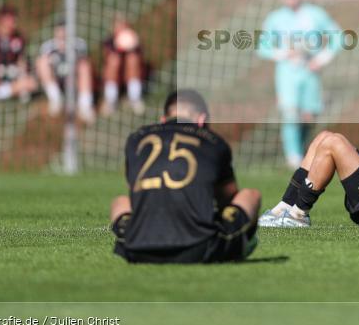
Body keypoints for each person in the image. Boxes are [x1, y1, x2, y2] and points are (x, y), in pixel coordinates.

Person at [109, 89, 261, 264]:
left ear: (163, 119)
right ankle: (241, 246)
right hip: (199, 248)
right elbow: (228, 198)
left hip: (138, 249)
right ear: (202, 120)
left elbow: (136, 197)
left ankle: (129, 236)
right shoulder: (214, 142)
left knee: (120, 202)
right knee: (250, 195)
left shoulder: (136, 140)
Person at [257, 0, 341, 169]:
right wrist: (283, 53)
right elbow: (262, 46)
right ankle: (293, 157)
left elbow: (338, 36)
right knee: (290, 112)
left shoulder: (315, 14)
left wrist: (321, 59)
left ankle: (304, 151)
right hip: (287, 71)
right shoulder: (275, 18)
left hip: (309, 71)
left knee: (308, 115)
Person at [35, 20, 96, 123]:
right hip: (56, 79)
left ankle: (84, 106)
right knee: (41, 62)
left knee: (84, 66)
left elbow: (85, 63)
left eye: (64, 30)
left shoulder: (79, 44)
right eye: (59, 31)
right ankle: (56, 99)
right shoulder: (48, 46)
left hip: (73, 80)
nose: (62, 34)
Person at [101, 13, 145, 116]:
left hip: (130, 74)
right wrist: (117, 48)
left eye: (123, 25)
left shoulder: (133, 39)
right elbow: (107, 59)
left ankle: (134, 98)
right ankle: (110, 100)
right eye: (118, 26)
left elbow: (140, 58)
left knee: (132, 58)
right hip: (115, 76)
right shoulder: (109, 41)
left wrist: (133, 46)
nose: (121, 28)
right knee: (114, 60)